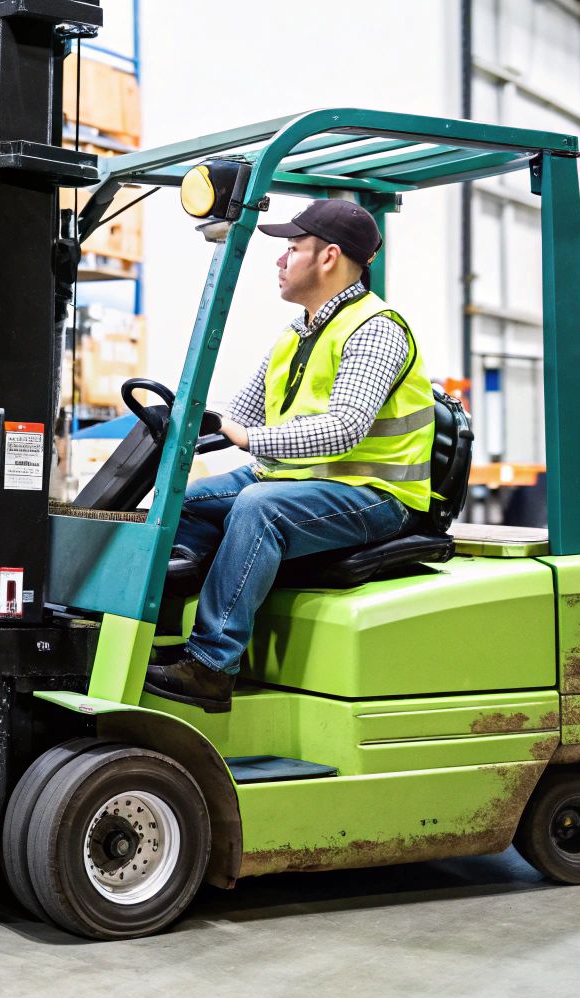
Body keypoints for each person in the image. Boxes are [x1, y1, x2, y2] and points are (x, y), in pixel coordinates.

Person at [144, 198, 436, 714]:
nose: (280, 260)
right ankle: (152, 636)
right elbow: (241, 415)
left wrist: (249, 439)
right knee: (183, 503)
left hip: (375, 494)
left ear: (328, 257)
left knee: (259, 507)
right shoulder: (295, 334)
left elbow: (345, 428)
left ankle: (211, 666)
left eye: (292, 248)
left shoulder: (375, 328)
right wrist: (190, 423)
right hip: (301, 481)